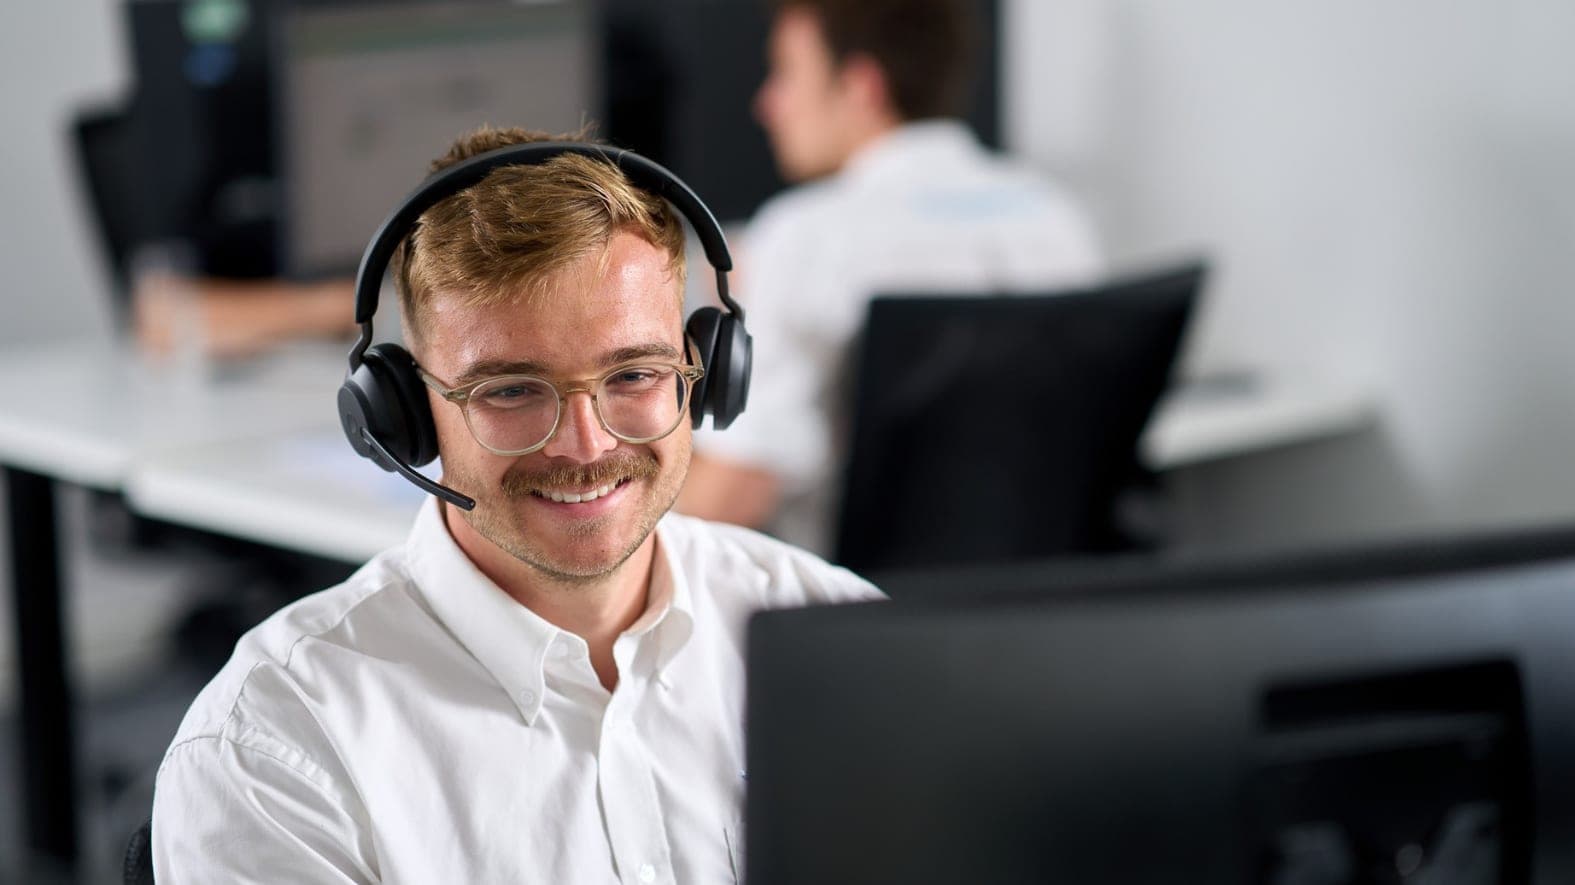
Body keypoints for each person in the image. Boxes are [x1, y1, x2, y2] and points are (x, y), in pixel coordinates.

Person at [151, 125, 882, 882]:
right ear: (405, 415)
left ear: (705, 377)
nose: (586, 444)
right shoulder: (280, 752)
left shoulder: (846, 639)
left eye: (634, 374)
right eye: (510, 390)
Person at [676, 0, 1106, 556]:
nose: (767, 103)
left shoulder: (807, 236)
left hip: (857, 600)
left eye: (786, 74)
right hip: (1046, 588)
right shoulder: (1054, 216)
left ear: (861, 87)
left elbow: (735, 493)